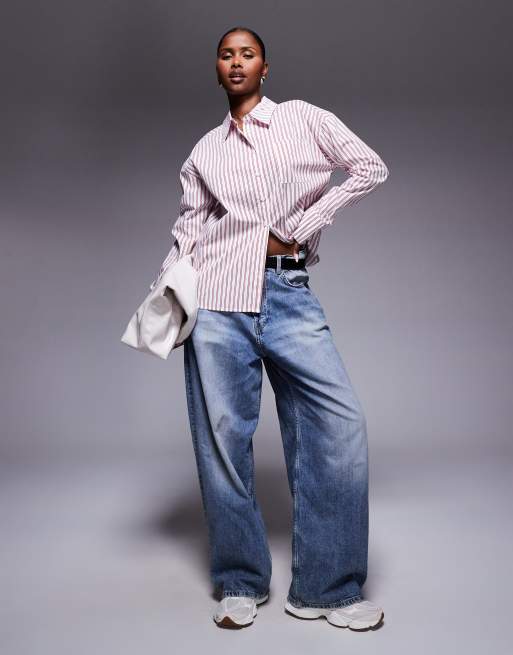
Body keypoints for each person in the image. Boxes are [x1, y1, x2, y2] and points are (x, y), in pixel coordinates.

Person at [150, 26, 389, 630]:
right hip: (216, 302)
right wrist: (166, 295)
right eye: (226, 54)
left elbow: (369, 167)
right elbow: (189, 228)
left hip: (287, 293)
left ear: (265, 66)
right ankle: (240, 581)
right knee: (223, 442)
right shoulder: (205, 151)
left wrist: (304, 227)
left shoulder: (303, 119)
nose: (237, 62)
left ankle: (328, 589)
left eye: (247, 53)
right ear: (217, 69)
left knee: (339, 426)